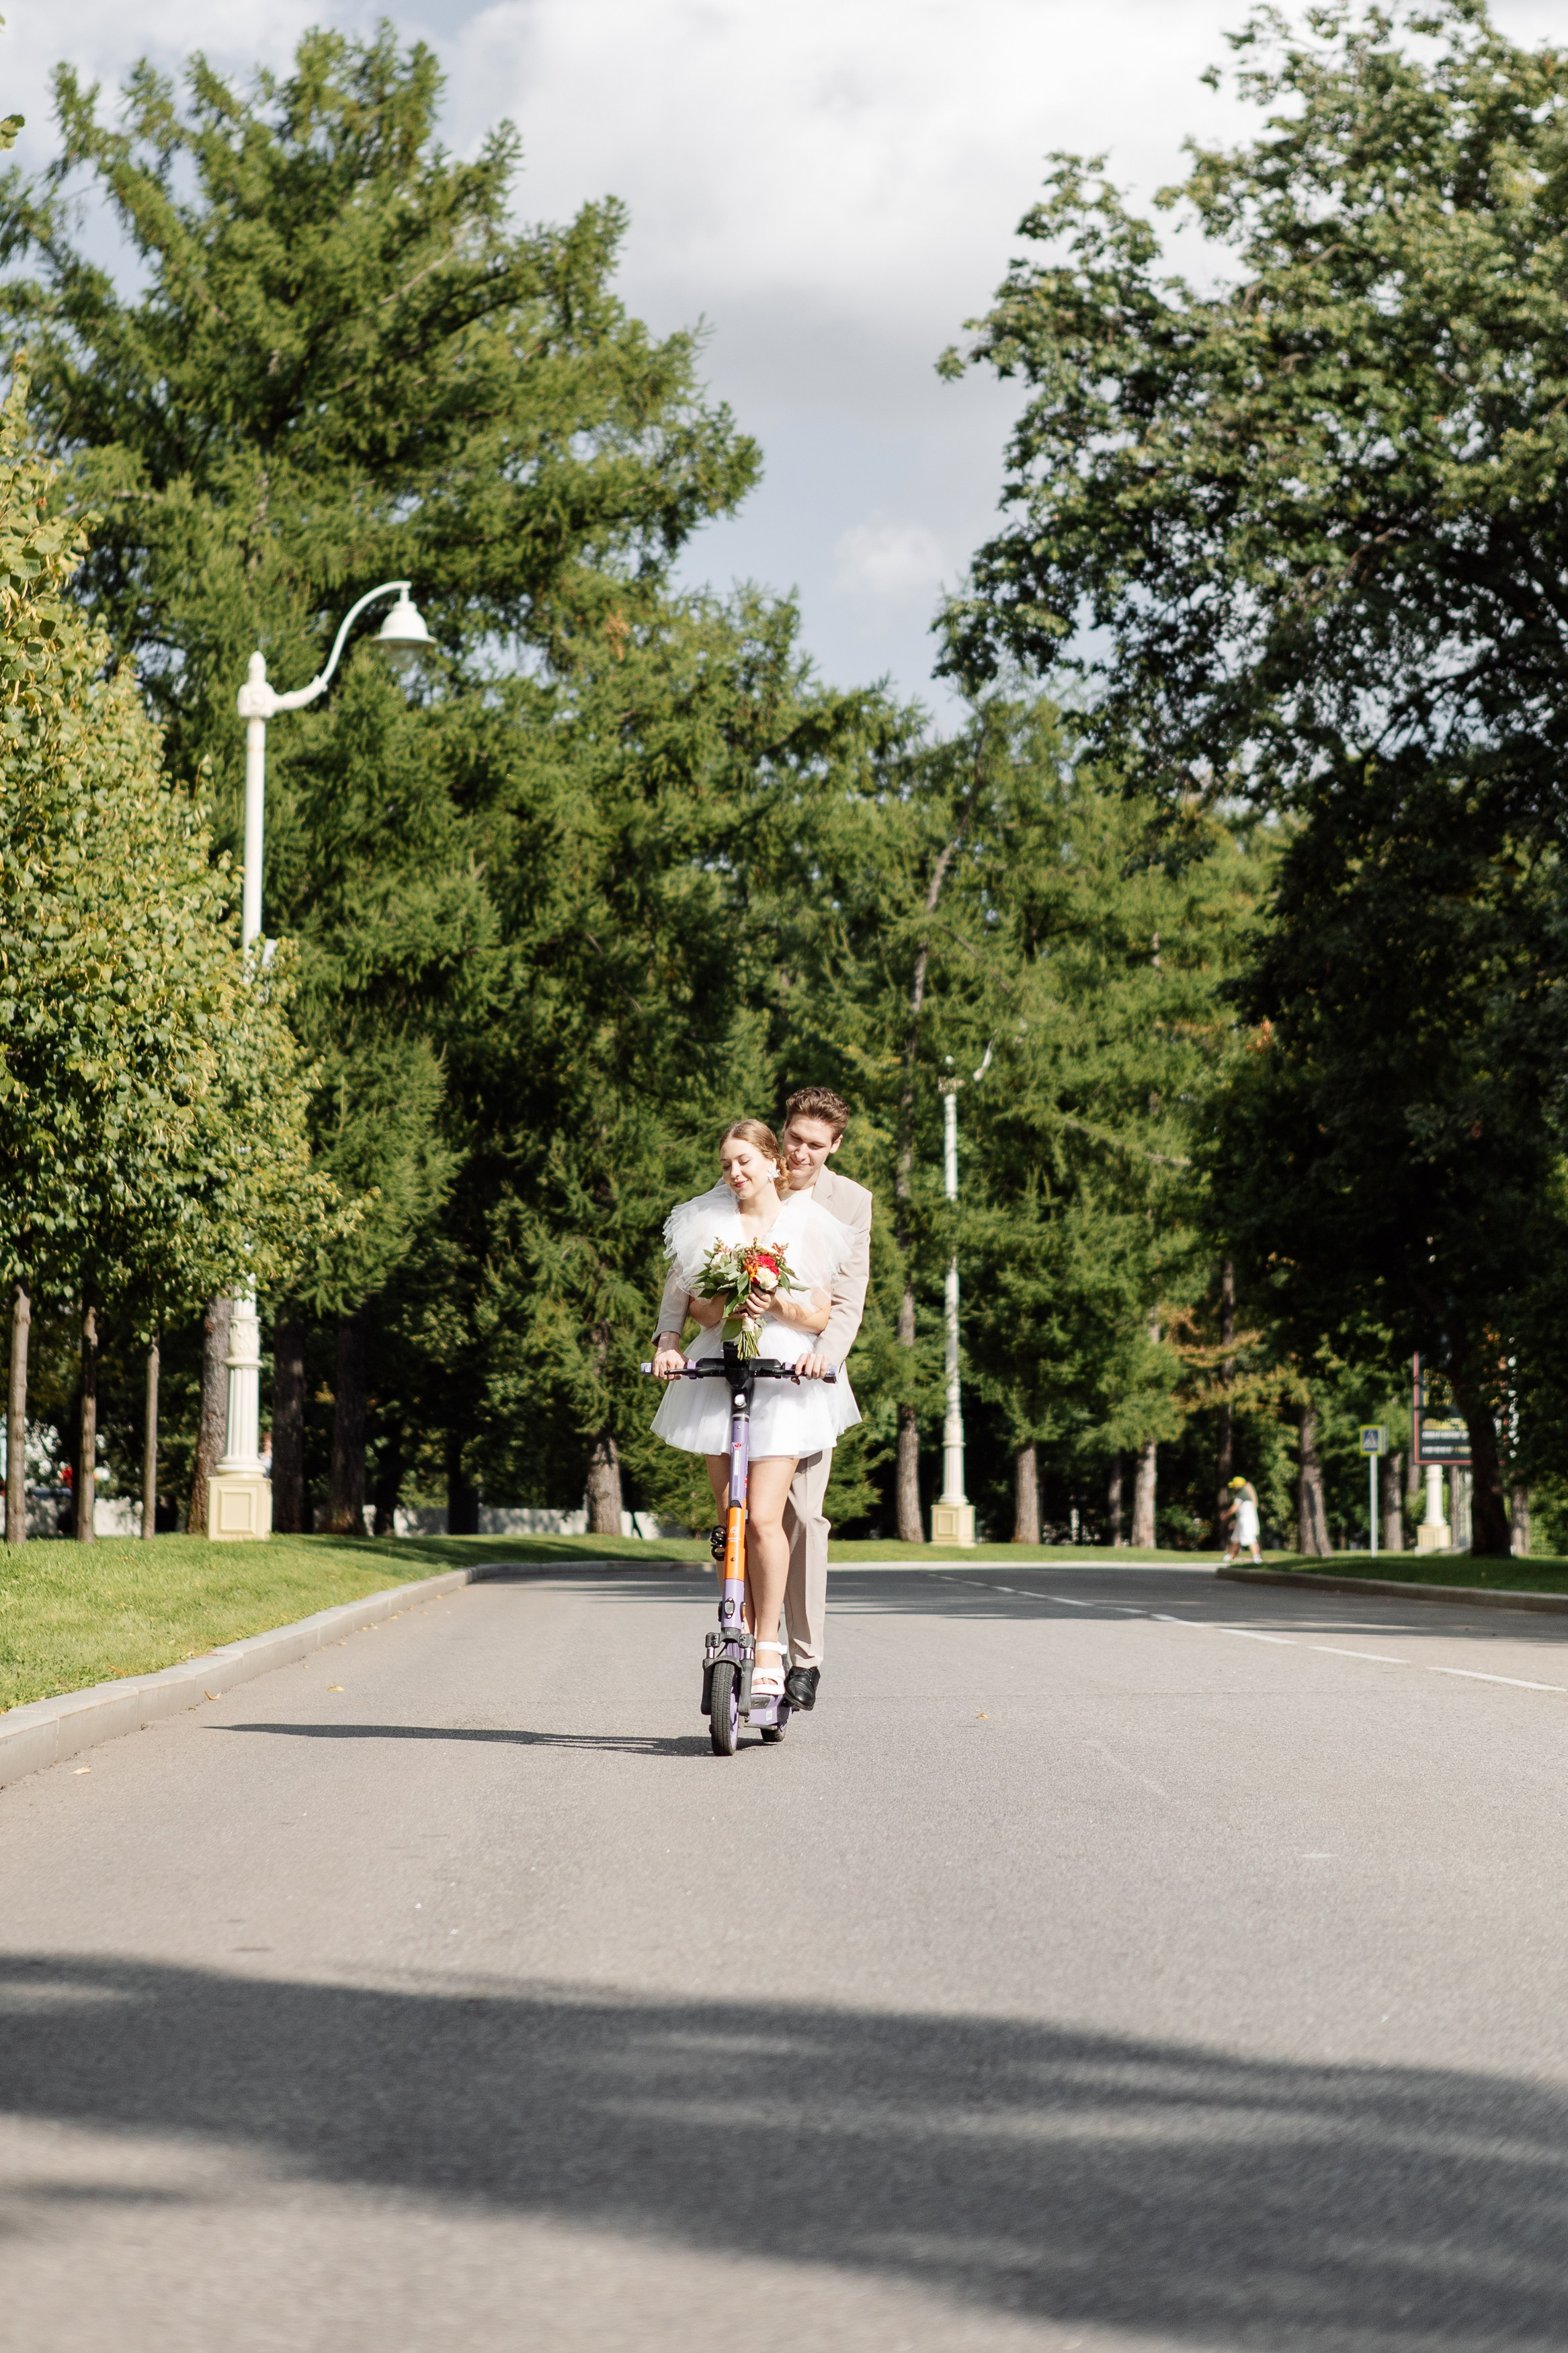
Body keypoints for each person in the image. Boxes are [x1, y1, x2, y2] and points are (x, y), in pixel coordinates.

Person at [652, 1085, 871, 1712]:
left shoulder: (845, 1205)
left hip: (801, 1369)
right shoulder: (723, 1198)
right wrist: (671, 1337)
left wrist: (822, 1353)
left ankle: (796, 1658)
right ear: (781, 1138)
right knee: (735, 1521)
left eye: (813, 1145)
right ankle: (740, 1634)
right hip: (725, 1366)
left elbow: (842, 1298)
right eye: (794, 1138)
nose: (801, 1152)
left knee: (796, 1518)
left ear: (832, 1148)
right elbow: (684, 1287)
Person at [1221, 1475, 1262, 1565]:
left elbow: (1234, 1508)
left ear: (1237, 1485)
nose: (1234, 1488)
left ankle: (1257, 1558)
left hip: (1245, 1520)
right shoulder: (1245, 1492)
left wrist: (1226, 1515)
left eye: (1234, 1485)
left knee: (1250, 1538)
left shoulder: (1241, 1494)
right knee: (1235, 1538)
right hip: (1243, 1519)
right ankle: (1230, 1555)